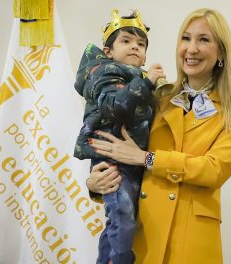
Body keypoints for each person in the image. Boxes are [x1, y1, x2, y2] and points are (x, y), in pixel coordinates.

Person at [86, 8, 231, 264]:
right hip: (144, 236)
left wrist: (148, 159)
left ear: (221, 53)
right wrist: (95, 184)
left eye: (203, 40)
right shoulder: (156, 95)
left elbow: (214, 170)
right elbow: (116, 143)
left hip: (192, 240)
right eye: (186, 38)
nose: (191, 48)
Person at [73, 9, 166, 264]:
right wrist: (147, 84)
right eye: (126, 41)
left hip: (135, 162)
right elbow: (116, 106)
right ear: (108, 51)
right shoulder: (103, 73)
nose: (135, 47)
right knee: (123, 219)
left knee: (120, 221)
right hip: (113, 163)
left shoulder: (139, 78)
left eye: (141, 44)